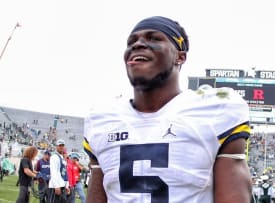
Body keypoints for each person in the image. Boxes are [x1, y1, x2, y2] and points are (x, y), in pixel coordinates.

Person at [83, 16, 252, 203]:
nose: (138, 44)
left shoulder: (215, 111)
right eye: (131, 42)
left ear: (180, 56)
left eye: (153, 38)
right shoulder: (101, 119)